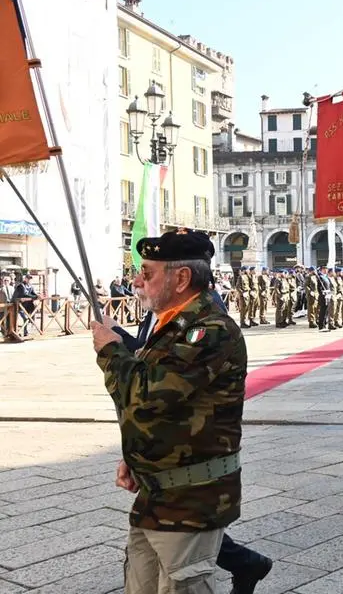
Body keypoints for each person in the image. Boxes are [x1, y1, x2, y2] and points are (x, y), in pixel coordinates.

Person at [90, 229, 266, 594]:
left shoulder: (210, 330)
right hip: (157, 493)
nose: (137, 281)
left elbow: (148, 394)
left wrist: (110, 350)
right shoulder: (171, 324)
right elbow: (159, 412)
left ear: (182, 278)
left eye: (148, 273)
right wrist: (136, 457)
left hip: (190, 499)